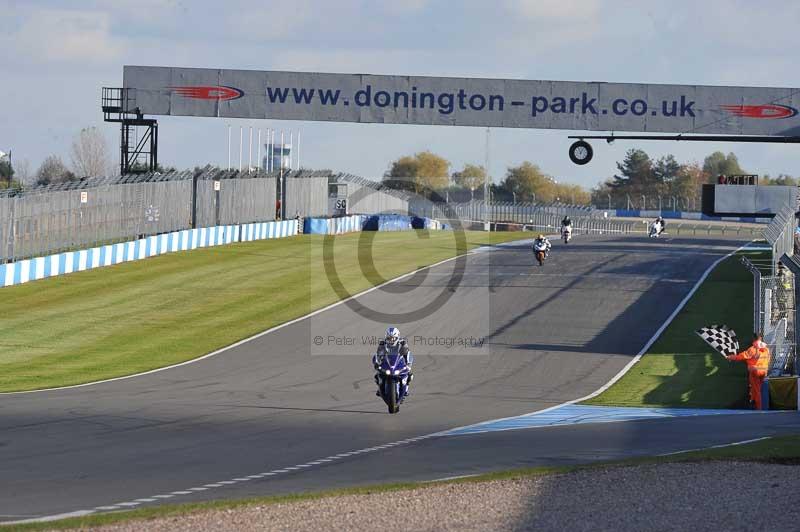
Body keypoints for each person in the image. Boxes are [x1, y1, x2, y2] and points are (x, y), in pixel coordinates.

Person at [726, 334, 771, 409]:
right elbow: (768, 360)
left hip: (755, 372)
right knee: (757, 389)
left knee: (756, 390)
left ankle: (758, 408)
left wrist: (730, 357)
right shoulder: (766, 349)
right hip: (763, 372)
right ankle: (754, 404)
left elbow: (741, 356)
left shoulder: (753, 349)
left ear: (753, 340)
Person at [373, 326, 414, 397]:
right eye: (389, 338)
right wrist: (376, 362)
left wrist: (409, 363)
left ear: (397, 337)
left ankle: (406, 389)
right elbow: (378, 354)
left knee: (409, 375)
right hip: (387, 363)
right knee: (377, 375)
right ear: (386, 337)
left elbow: (408, 353)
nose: (391, 340)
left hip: (399, 362)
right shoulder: (382, 343)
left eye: (393, 338)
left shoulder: (402, 343)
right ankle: (379, 389)